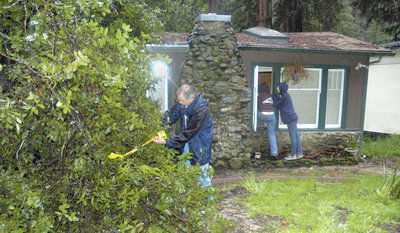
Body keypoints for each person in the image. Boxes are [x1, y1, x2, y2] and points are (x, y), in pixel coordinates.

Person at [153, 84, 213, 188]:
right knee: (185, 176)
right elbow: (170, 117)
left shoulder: (202, 111)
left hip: (200, 148)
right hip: (186, 146)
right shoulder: (181, 104)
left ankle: (208, 202)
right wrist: (156, 125)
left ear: (192, 98)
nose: (180, 102)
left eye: (182, 100)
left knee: (202, 179)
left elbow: (188, 134)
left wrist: (166, 141)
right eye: (179, 100)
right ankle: (187, 202)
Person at [272, 82, 303, 160]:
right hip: (292, 118)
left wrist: (274, 96)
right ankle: (299, 153)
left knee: (293, 137)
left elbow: (277, 105)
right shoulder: (285, 95)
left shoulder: (284, 96)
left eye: (278, 87)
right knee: (296, 136)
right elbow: (280, 103)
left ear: (281, 88)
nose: (277, 88)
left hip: (290, 119)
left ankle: (293, 155)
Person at [257, 82, 278, 159]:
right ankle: (274, 153)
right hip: (271, 116)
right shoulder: (271, 96)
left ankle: (260, 126)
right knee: (272, 135)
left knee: (255, 111)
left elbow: (257, 105)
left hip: (262, 115)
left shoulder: (259, 96)